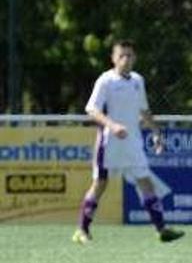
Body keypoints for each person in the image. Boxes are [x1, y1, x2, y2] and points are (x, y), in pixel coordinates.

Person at [74, 40, 184, 244]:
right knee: (100, 184)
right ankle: (82, 230)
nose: (126, 59)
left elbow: (143, 110)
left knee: (146, 182)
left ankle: (162, 230)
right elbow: (92, 109)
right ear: (113, 58)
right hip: (110, 144)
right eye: (122, 55)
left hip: (133, 143)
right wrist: (112, 125)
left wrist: (156, 132)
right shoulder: (106, 81)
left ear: (135, 58)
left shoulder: (137, 81)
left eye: (130, 55)